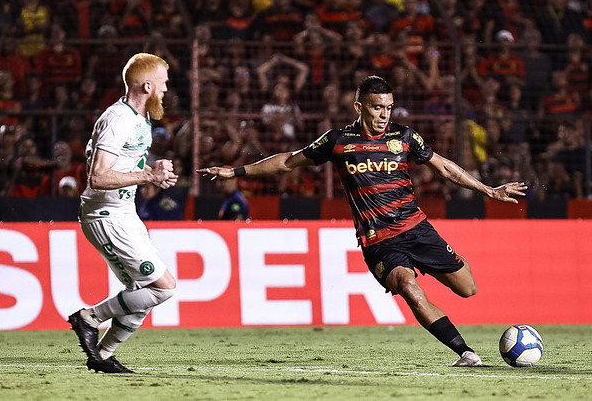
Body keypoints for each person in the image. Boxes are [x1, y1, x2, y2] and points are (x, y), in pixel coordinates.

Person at [199, 75, 527, 366]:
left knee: (468, 288)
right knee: (408, 287)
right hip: (379, 241)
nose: (384, 115)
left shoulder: (405, 137)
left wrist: (488, 190)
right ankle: (465, 352)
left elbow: (443, 166)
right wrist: (236, 171)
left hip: (417, 228)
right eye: (377, 108)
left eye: (388, 107)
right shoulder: (338, 141)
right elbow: (287, 162)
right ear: (360, 106)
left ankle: (432, 265)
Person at [67, 53, 179, 374]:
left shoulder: (139, 118)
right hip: (106, 215)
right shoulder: (118, 119)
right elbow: (98, 176)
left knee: (143, 295)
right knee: (163, 287)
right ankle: (90, 317)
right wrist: (148, 177)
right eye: (163, 83)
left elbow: (125, 164)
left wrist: (153, 169)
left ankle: (101, 356)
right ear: (147, 85)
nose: (166, 89)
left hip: (124, 213)